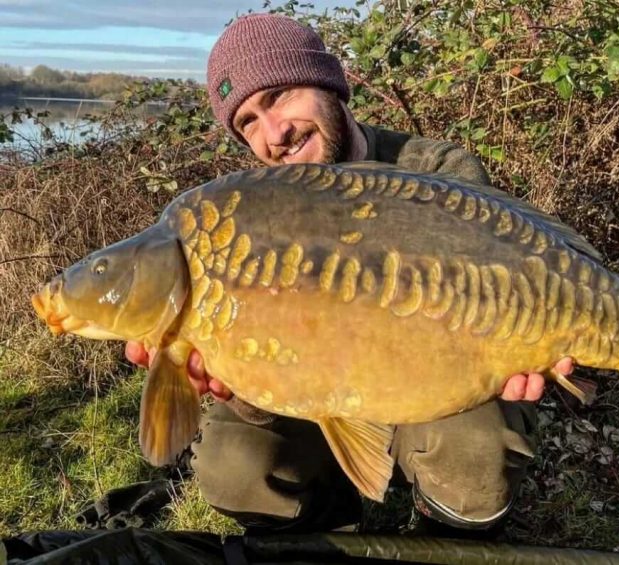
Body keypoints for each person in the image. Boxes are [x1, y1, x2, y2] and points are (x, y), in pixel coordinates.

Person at [125, 13, 574, 538]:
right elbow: (271, 384)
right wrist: (237, 383)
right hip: (314, 390)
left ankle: (446, 537)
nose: (275, 134)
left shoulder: (438, 174)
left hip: (427, 381)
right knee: (233, 462)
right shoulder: (242, 219)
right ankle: (329, 528)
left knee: (478, 445)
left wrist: (519, 349)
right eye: (247, 122)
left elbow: (491, 307)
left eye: (280, 96)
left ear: (330, 84)